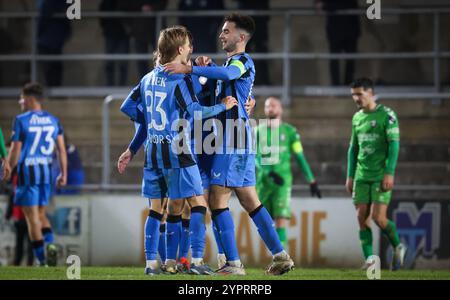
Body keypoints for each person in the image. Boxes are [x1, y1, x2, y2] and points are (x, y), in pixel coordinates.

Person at [164, 13, 294, 276]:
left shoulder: (242, 61)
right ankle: (280, 255)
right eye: (222, 31)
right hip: (234, 136)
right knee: (249, 199)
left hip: (232, 137)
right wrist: (208, 71)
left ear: (241, 37)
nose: (221, 35)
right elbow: (225, 84)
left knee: (217, 199)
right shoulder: (229, 65)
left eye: (226, 31)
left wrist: (191, 68)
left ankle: (232, 264)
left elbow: (230, 73)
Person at [118, 26, 238, 275]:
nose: (191, 49)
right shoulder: (179, 79)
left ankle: (155, 263)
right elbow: (195, 112)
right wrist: (222, 106)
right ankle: (195, 261)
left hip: (153, 152)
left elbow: (127, 107)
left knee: (156, 209)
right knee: (197, 203)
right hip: (178, 148)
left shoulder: (147, 78)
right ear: (180, 49)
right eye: (188, 46)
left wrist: (143, 132)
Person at [346, 78, 407, 270]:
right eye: (353, 95)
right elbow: (353, 148)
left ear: (370, 93)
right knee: (361, 216)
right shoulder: (357, 118)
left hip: (380, 174)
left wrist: (389, 172)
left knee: (378, 218)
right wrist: (350, 175)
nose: (356, 98)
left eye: (360, 94)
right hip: (361, 175)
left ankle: (398, 246)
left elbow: (394, 145)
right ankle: (371, 261)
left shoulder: (387, 115)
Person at [5, 82, 67, 266]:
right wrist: (63, 174)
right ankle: (50, 245)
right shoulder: (53, 120)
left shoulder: (21, 120)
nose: (20, 101)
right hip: (46, 173)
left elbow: (16, 150)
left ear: (31, 99)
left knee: (31, 218)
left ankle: (42, 260)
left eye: (22, 98)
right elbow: (61, 150)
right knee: (41, 215)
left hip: (27, 174)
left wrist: (8, 167)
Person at [256, 97, 321, 248]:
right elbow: (253, 157)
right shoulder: (257, 131)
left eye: (273, 105)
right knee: (265, 223)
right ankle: (277, 254)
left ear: (280, 109)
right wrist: (268, 172)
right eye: (267, 106)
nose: (270, 108)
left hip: (283, 182)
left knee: (281, 219)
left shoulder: (290, 132)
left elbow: (299, 156)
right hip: (263, 182)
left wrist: (311, 180)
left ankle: (281, 258)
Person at [315, 0, 360, 85]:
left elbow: (348, 5)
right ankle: (337, 87)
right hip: (336, 29)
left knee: (350, 60)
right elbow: (320, 7)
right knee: (335, 59)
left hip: (350, 28)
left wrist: (325, 6)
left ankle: (345, 85)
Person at [36, 0, 72, 86]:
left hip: (49, 40)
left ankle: (54, 92)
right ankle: (54, 92)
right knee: (53, 68)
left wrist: (38, 34)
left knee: (52, 68)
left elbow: (43, 20)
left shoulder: (50, 3)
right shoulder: (53, 3)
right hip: (51, 40)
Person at [99, 0, 130, 86]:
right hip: (110, 33)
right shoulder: (106, 3)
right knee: (109, 63)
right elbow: (102, 17)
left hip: (123, 34)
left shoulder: (125, 2)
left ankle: (121, 87)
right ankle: (110, 86)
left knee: (123, 63)